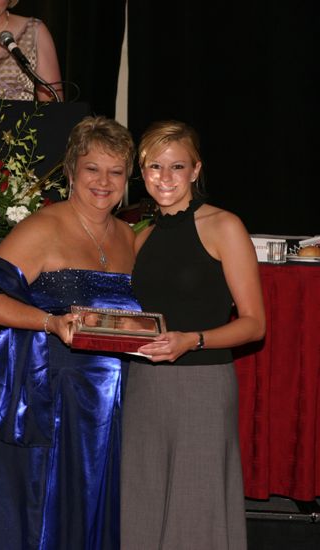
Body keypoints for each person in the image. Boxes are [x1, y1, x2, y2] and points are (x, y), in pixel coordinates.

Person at [0, 115, 137, 549]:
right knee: (38, 516)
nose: (104, 181)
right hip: (48, 399)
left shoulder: (129, 237)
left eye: (116, 171)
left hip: (109, 405)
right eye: (93, 168)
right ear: (71, 170)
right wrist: (50, 322)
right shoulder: (44, 226)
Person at [121, 120, 266, 550]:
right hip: (143, 384)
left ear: (196, 170)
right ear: (142, 172)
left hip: (201, 383)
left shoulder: (225, 226)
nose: (164, 178)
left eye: (177, 166)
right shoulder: (141, 236)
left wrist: (192, 340)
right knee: (141, 503)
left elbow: (255, 324)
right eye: (153, 167)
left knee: (196, 506)